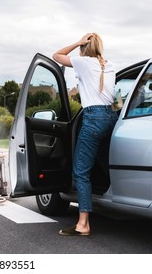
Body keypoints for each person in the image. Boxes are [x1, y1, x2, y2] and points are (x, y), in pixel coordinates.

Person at [52, 33, 118, 236]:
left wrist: (77, 42)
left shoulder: (83, 62)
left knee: (80, 172)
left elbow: (57, 55)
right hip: (111, 117)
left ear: (85, 47)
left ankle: (83, 224)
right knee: (105, 159)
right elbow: (115, 97)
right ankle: (121, 194)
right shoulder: (110, 65)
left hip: (93, 119)